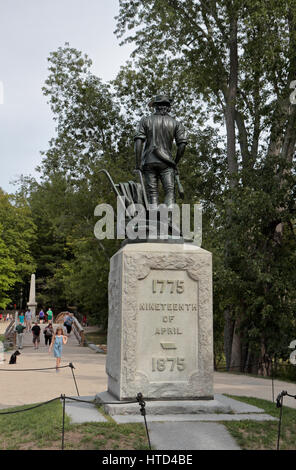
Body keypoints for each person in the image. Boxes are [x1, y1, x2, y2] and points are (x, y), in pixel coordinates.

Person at [134, 94, 187, 209]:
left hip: (148, 161)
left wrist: (138, 164)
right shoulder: (176, 124)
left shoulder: (145, 121)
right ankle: (168, 219)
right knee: (169, 191)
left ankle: (153, 219)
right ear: (168, 107)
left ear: (155, 106)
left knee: (152, 193)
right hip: (167, 163)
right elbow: (182, 146)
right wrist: (175, 162)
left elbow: (138, 142)